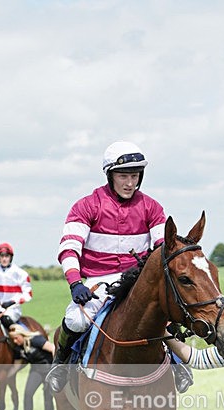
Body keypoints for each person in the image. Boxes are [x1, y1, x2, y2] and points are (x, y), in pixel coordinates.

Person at [46, 141, 172, 393]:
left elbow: (163, 247)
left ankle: (177, 366)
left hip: (136, 281)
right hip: (97, 281)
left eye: (134, 176)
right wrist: (75, 282)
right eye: (123, 176)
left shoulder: (152, 207)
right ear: (110, 175)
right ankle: (60, 365)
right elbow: (69, 248)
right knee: (75, 320)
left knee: (165, 318)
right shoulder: (86, 206)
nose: (129, 183)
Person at [8, 324, 55, 410]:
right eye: (13, 339)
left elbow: (53, 348)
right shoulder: (18, 349)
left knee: (48, 396)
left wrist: (56, 367)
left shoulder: (35, 339)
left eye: (16, 338)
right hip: (36, 370)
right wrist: (6, 376)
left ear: (22, 334)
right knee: (28, 394)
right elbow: (16, 367)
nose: (15, 341)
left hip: (48, 369)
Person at [0, 243, 32, 329]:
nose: (4, 259)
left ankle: (26, 335)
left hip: (12, 310)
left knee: (5, 320)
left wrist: (12, 302)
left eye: (7, 256)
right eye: (2, 256)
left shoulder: (20, 273)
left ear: (11, 257)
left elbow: (28, 294)